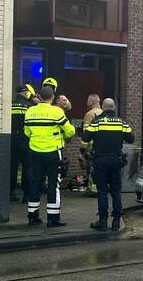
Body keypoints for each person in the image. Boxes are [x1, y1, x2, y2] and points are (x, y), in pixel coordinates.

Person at [24, 84, 76, 227]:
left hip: (35, 152)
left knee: (35, 183)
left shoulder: (30, 111)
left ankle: (32, 217)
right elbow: (70, 131)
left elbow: (27, 132)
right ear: (53, 98)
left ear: (39, 97)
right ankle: (53, 218)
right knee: (54, 184)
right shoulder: (56, 112)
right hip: (53, 153)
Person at [81, 98, 134, 232]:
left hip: (100, 161)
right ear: (114, 108)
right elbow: (131, 139)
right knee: (116, 192)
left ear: (103, 108)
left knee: (102, 192)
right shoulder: (121, 122)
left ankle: (103, 221)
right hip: (116, 161)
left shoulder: (96, 122)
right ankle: (116, 221)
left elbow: (85, 138)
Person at [9, 85, 34, 202]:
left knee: (12, 167)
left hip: (12, 139)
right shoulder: (29, 106)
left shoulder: (10, 105)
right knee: (27, 167)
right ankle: (26, 195)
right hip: (25, 140)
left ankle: (11, 193)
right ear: (25, 93)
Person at [81, 94, 102, 193]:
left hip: (91, 147)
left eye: (88, 100)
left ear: (93, 102)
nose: (86, 102)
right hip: (102, 147)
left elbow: (86, 133)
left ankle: (93, 189)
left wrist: (83, 149)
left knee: (91, 168)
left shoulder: (90, 114)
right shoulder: (103, 113)